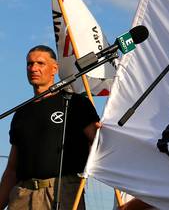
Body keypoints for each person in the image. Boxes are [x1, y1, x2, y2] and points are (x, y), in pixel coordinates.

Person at [0, 45, 100, 209]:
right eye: (29, 64)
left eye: (40, 63)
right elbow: (12, 169)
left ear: (54, 69)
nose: (34, 68)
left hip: (62, 191)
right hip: (22, 193)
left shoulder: (75, 103)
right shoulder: (21, 113)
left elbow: (99, 143)